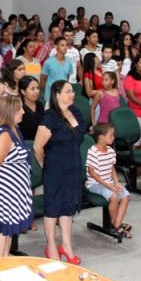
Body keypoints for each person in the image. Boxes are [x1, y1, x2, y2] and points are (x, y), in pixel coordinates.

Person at [34, 81, 86, 264]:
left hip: (73, 166)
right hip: (55, 168)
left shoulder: (76, 112)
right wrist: (45, 165)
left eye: (72, 91)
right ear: (57, 94)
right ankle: (51, 246)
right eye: (68, 91)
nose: (72, 94)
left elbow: (79, 137)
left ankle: (67, 245)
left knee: (68, 207)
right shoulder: (49, 117)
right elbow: (38, 146)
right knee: (53, 209)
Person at [0, 96, 33, 257]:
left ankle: (5, 260)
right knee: (3, 229)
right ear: (10, 111)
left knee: (10, 228)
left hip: (16, 188)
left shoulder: (14, 129)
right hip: (7, 189)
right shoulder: (3, 134)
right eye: (19, 109)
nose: (23, 112)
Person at [86, 123, 131, 237]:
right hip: (95, 183)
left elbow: (112, 168)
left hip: (108, 182)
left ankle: (116, 225)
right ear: (101, 137)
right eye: (111, 136)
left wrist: (116, 182)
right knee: (114, 196)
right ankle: (117, 226)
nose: (113, 137)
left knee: (126, 196)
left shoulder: (110, 151)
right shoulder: (93, 151)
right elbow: (92, 173)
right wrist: (109, 186)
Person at [19, 75, 43, 141]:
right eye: (32, 89)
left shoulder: (40, 105)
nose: (36, 91)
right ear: (23, 91)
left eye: (37, 88)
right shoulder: (18, 108)